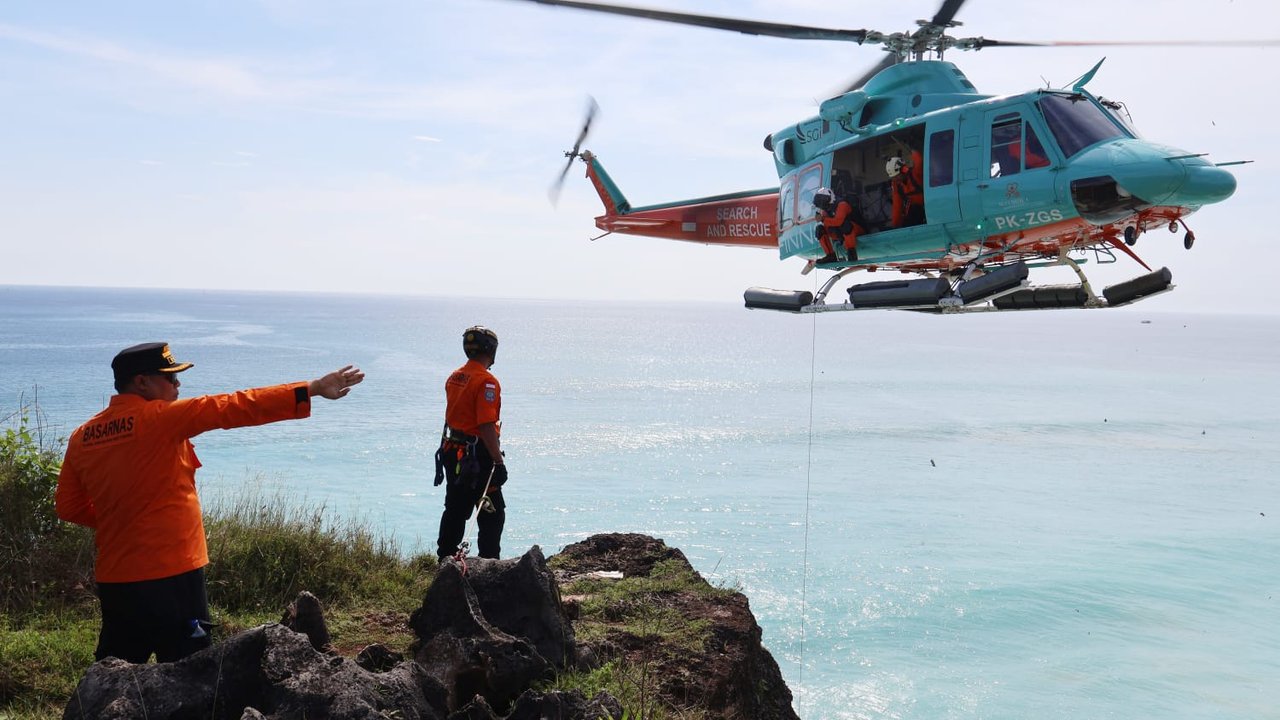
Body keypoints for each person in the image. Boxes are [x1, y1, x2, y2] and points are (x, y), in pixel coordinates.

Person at [55, 342, 365, 664]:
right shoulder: (161, 418)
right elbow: (232, 406)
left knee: (117, 671)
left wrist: (124, 519)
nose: (178, 385)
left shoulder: (82, 435)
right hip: (173, 575)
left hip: (116, 579)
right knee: (189, 673)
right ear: (141, 382)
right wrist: (311, 389)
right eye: (169, 377)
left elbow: (68, 506)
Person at [434, 326, 507, 561]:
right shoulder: (487, 382)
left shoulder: (455, 376)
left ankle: (445, 559)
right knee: (492, 512)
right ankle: (489, 564)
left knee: (455, 508)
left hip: (452, 451)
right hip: (477, 457)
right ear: (491, 350)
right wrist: (498, 461)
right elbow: (486, 425)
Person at [813, 187, 864, 264]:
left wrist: (823, 219)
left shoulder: (842, 205)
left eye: (823, 201)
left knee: (845, 225)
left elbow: (838, 221)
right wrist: (823, 221)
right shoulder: (826, 211)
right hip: (840, 233)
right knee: (820, 229)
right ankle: (830, 255)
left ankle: (851, 252)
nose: (822, 205)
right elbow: (828, 225)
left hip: (856, 230)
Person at [888, 150, 925, 228]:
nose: (896, 179)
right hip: (914, 218)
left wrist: (913, 150)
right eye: (894, 177)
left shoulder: (916, 175)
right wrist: (895, 227)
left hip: (926, 210)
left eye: (897, 176)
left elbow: (919, 161)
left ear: (903, 170)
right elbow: (897, 207)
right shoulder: (897, 186)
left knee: (916, 210)